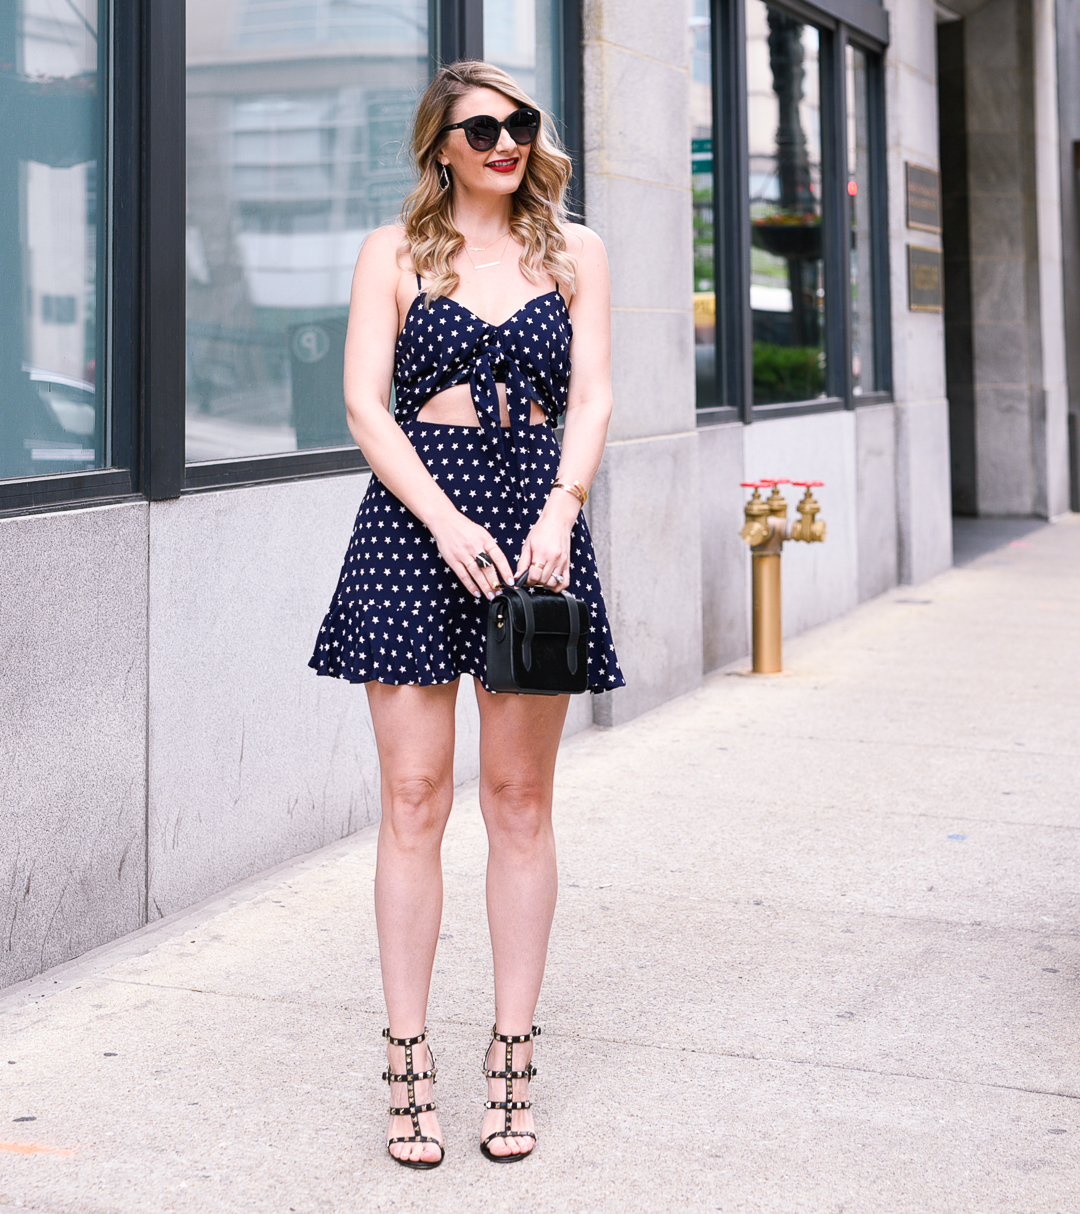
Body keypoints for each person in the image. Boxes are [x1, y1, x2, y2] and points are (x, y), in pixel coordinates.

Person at [309, 59, 624, 1169]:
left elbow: (591, 396)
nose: (504, 140)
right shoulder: (392, 254)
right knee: (411, 796)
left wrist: (563, 506)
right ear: (438, 146)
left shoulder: (574, 251)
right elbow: (363, 402)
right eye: (479, 127)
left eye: (519, 123)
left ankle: (511, 1058)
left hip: (536, 525)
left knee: (521, 799)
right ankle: (406, 1065)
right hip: (415, 526)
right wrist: (445, 521)